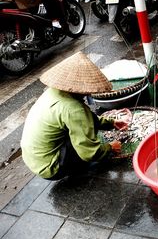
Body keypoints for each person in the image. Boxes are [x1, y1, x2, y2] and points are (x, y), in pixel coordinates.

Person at [21, 52, 127, 180]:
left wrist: (110, 123)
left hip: (33, 158)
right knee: (88, 147)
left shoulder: (53, 91)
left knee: (82, 127)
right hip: (50, 167)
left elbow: (84, 119)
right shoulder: (74, 109)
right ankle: (74, 169)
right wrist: (110, 148)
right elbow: (89, 152)